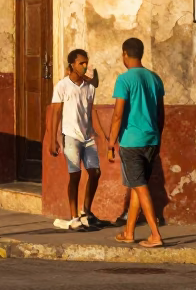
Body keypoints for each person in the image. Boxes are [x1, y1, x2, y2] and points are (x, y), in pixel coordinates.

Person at [107, 37, 165, 248]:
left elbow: (117, 114)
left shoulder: (124, 80)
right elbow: (161, 113)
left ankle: (155, 235)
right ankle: (129, 232)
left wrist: (111, 142)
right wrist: (158, 137)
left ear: (125, 54)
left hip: (132, 142)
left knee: (140, 187)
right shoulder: (155, 78)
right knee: (137, 186)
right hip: (151, 140)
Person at [48, 49, 110, 230]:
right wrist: (53, 139)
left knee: (95, 173)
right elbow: (55, 113)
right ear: (72, 65)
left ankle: (86, 213)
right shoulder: (62, 86)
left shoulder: (90, 87)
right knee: (75, 175)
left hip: (88, 137)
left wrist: (103, 136)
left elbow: (92, 111)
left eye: (86, 63)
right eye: (81, 63)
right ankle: (74, 217)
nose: (85, 66)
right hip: (70, 136)